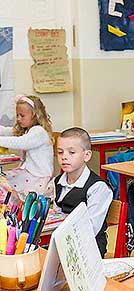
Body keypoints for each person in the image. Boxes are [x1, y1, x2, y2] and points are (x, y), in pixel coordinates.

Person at [50, 127, 113, 258]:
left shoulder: (98, 188)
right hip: (62, 242)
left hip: (89, 248)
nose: (64, 157)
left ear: (87, 155)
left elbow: (91, 229)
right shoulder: (58, 182)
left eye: (71, 152)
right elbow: (57, 214)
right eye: (60, 152)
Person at [0, 95, 53, 198]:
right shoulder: (28, 130)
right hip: (29, 174)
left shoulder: (39, 132)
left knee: (5, 183)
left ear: (35, 115)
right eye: (17, 115)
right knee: (4, 180)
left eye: (22, 116)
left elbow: (21, 142)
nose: (19, 119)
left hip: (38, 177)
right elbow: (6, 131)